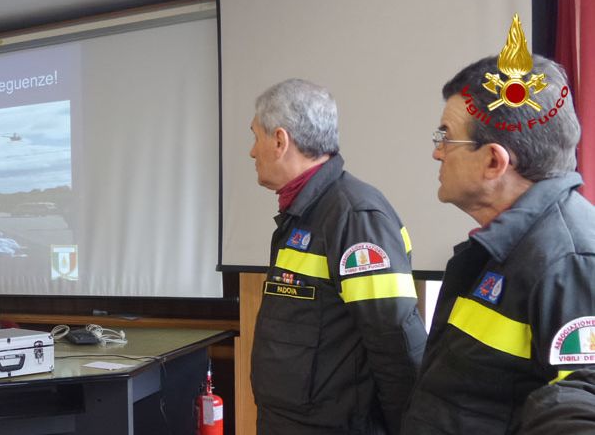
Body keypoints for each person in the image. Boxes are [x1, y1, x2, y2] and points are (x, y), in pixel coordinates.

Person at [400, 54, 595, 434]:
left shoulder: (570, 261)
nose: (436, 152)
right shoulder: (509, 247)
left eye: (445, 137)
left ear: (493, 161)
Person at [249, 79, 426, 435]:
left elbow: (394, 343)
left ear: (280, 141)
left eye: (255, 137)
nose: (252, 152)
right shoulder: (306, 213)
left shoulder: (353, 216)